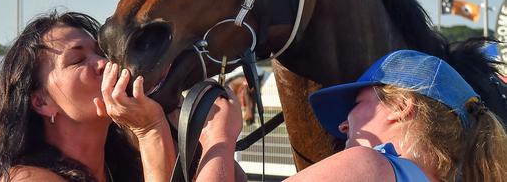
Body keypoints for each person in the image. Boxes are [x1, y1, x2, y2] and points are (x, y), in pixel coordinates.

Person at [195, 50, 507, 182]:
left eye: (357, 103)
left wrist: (219, 139)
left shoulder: (371, 165)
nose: (343, 125)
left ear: (401, 107)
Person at [0, 11, 176, 182]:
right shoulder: (27, 179)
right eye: (77, 60)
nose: (103, 64)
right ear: (42, 102)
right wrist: (150, 131)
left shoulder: (121, 167)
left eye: (101, 54)